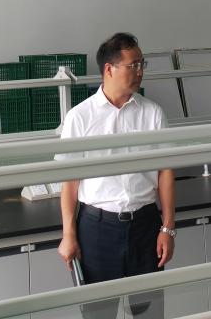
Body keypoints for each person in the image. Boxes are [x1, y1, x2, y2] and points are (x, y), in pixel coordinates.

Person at [57, 33, 175, 312]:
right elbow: (69, 182)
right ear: (109, 69)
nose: (140, 71)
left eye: (142, 64)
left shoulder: (153, 113)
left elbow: (165, 173)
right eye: (133, 65)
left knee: (149, 312)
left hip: (145, 225)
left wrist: (168, 228)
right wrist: (68, 234)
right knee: (99, 312)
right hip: (97, 229)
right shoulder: (80, 117)